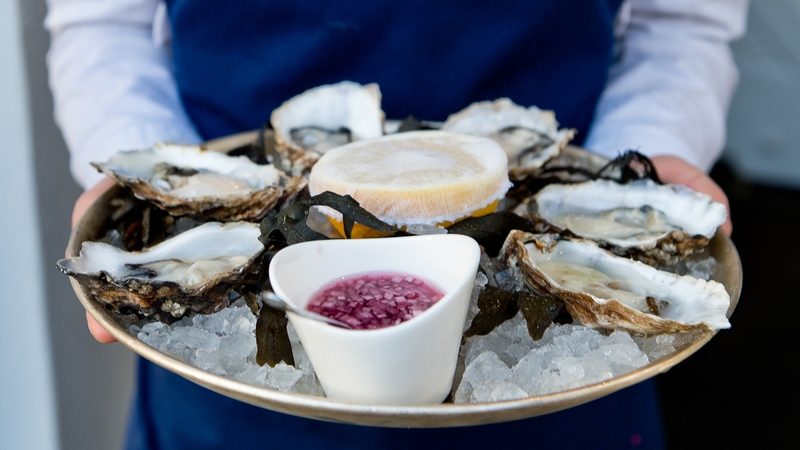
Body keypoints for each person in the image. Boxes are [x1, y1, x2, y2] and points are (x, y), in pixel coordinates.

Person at [46, 1, 746, 448]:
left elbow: (676, 23)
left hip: (556, 402)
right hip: (238, 410)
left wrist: (647, 153)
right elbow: (106, 24)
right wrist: (142, 175)